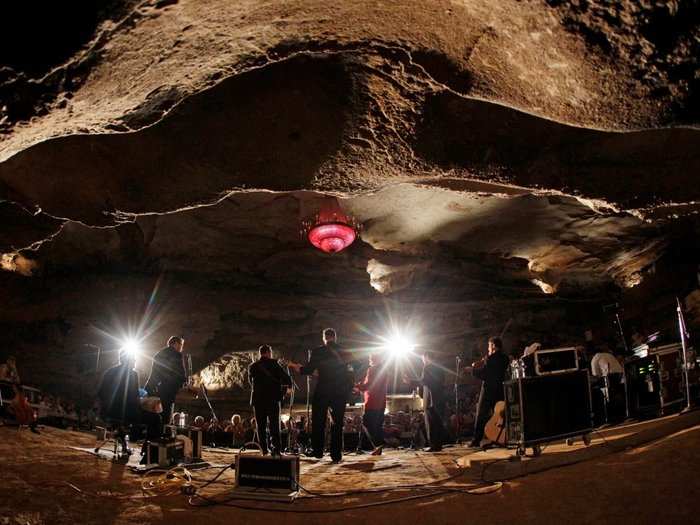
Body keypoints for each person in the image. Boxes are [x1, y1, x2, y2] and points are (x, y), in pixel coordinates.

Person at [288, 328, 356, 463]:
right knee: (337, 423)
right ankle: (336, 454)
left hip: (323, 390)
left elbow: (308, 369)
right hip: (339, 392)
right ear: (335, 337)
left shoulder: (318, 351)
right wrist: (348, 385)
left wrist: (296, 367)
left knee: (319, 421)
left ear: (324, 338)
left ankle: (318, 451)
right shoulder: (345, 351)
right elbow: (355, 368)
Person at [248, 344, 292, 455]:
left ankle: (263, 449)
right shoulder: (274, 364)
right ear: (268, 352)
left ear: (260, 353)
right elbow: (286, 378)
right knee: (274, 425)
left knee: (260, 426)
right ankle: (276, 449)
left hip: (258, 400)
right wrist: (286, 390)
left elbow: (251, 383)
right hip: (272, 399)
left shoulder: (253, 366)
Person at [469, 336, 510, 448]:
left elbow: (484, 374)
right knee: (501, 415)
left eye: (489, 346)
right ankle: (503, 437)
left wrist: (473, 369)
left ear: (493, 346)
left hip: (488, 391)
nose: (488, 348)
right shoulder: (505, 358)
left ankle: (476, 440)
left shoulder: (490, 359)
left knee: (481, 414)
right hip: (500, 390)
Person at [404, 350, 447, 452]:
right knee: (437, 423)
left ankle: (433, 445)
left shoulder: (428, 367)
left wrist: (411, 381)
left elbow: (424, 381)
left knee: (431, 423)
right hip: (439, 397)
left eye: (423, 358)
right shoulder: (439, 368)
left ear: (427, 357)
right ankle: (438, 445)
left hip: (431, 399)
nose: (422, 360)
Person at [145, 336, 187, 435]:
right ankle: (163, 438)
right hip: (169, 389)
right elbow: (180, 373)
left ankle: (154, 437)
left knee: (156, 414)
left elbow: (154, 374)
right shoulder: (177, 355)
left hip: (157, 389)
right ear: (175, 343)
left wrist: (149, 388)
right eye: (181, 345)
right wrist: (184, 381)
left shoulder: (158, 354)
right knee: (166, 415)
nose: (181, 348)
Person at [355, 353, 388, 454]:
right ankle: (369, 447)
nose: (369, 360)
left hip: (372, 402)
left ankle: (374, 446)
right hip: (381, 402)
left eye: (371, 358)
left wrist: (358, 386)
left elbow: (369, 385)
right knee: (377, 426)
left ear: (374, 359)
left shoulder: (372, 369)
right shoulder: (384, 370)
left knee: (367, 424)